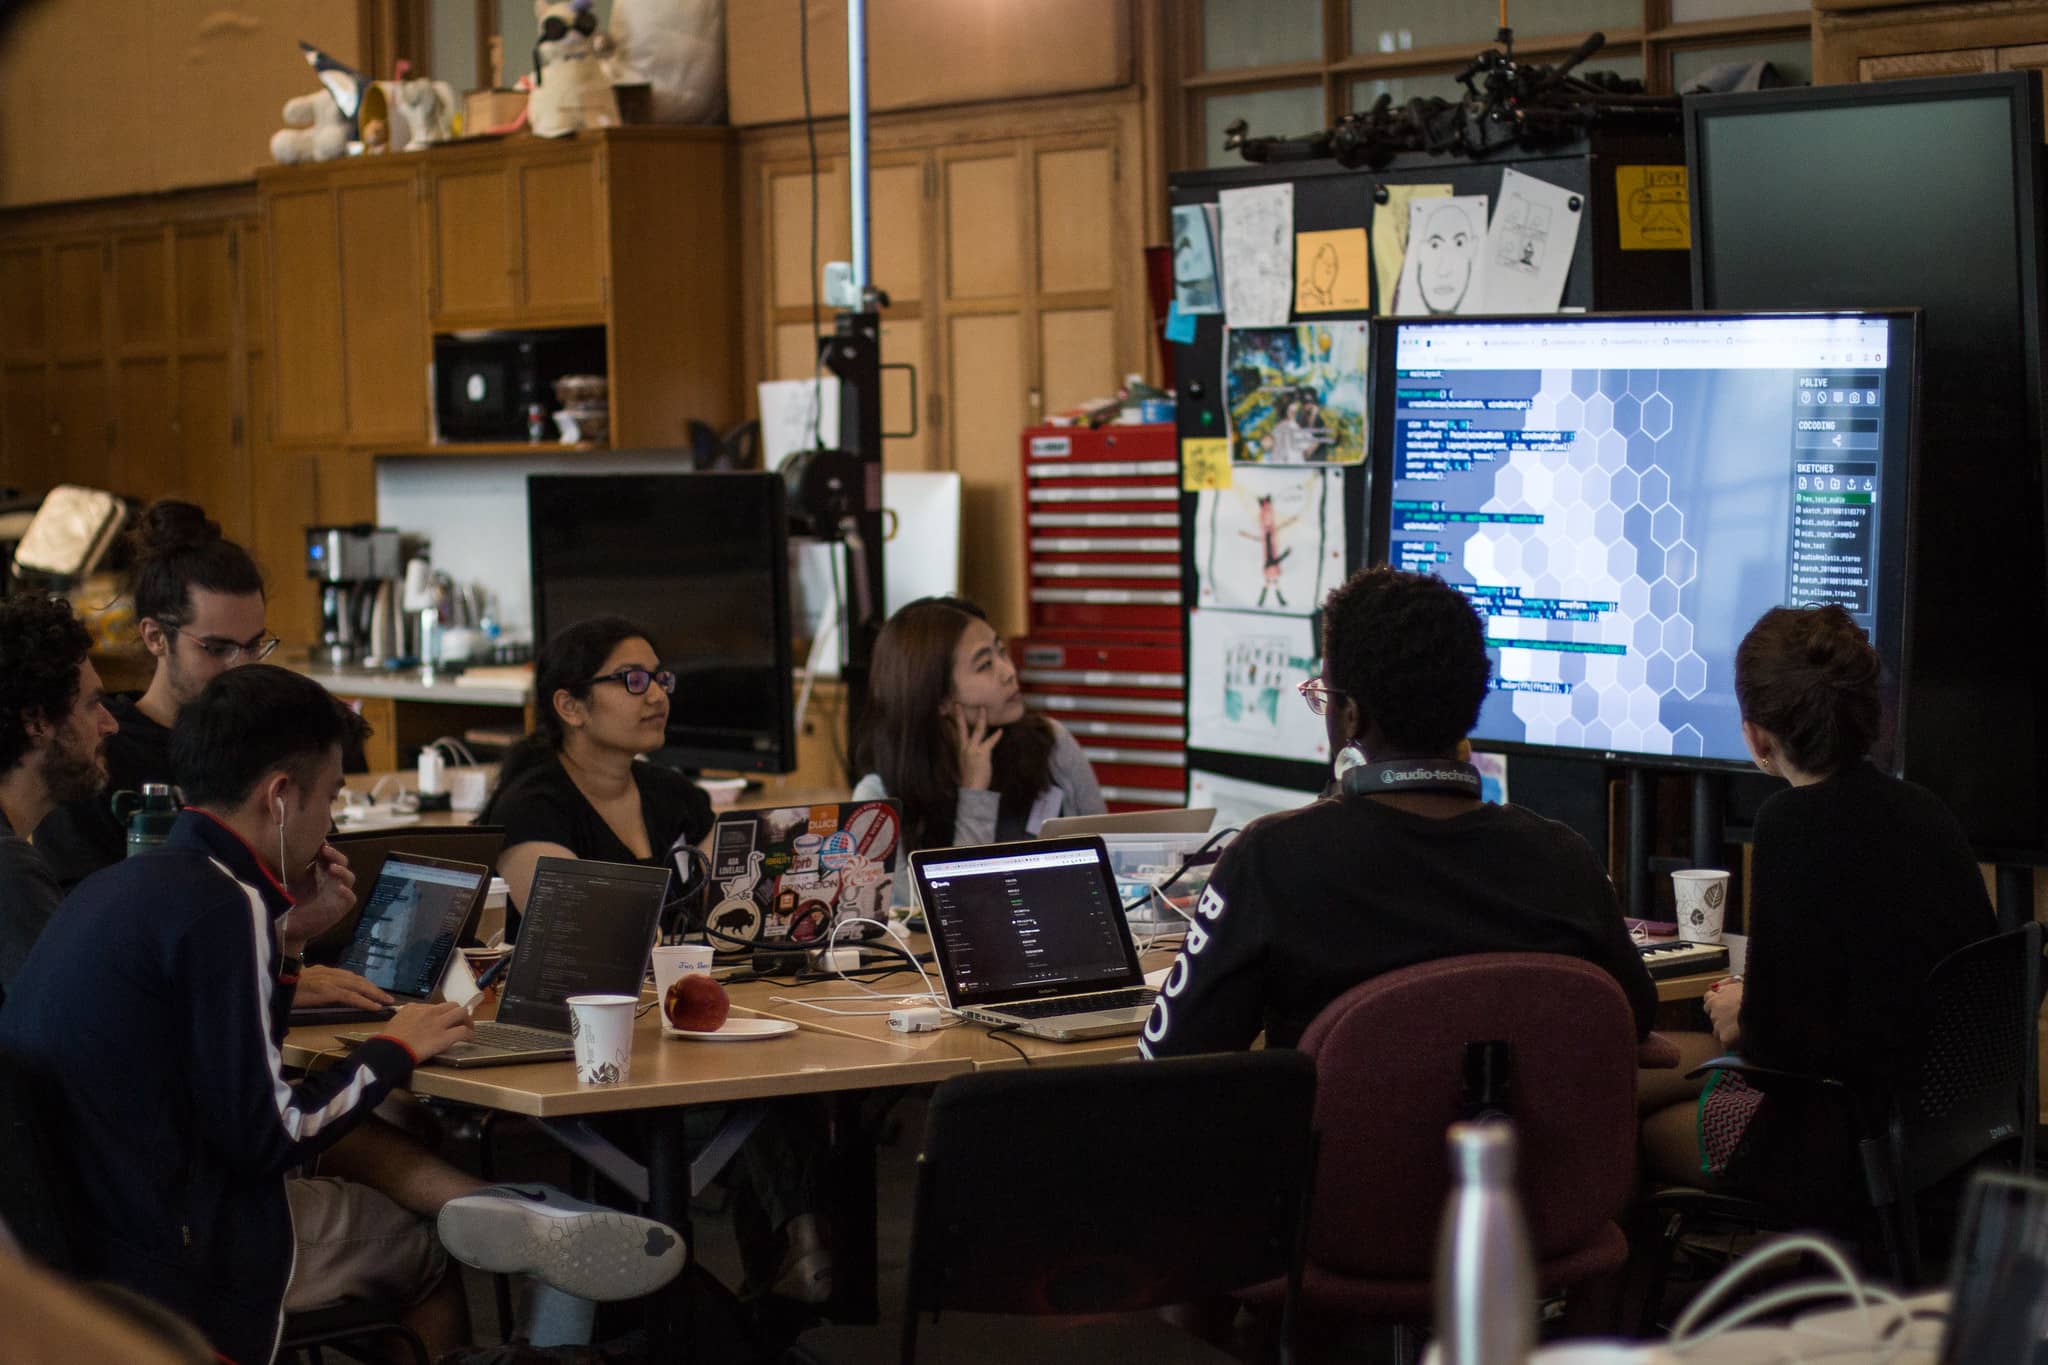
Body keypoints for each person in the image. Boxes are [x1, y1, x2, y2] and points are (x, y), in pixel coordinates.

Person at [0, 666, 685, 1363]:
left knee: (376, 1146)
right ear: (279, 796)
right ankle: (512, 1220)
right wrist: (396, 1045)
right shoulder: (223, 907)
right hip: (178, 1250)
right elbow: (279, 1129)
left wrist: (291, 940)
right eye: (329, 797)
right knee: (426, 1252)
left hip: (86, 1223)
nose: (329, 821)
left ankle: (511, 1206)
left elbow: (230, 1064)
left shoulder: (135, 882)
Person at [1140, 566, 1656, 1058]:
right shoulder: (1563, 857)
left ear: (1350, 713)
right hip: (1522, 1149)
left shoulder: (1270, 860)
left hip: (1334, 1152)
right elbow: (1636, 1014)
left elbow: (1170, 1056)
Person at [1638, 606, 1994, 1215]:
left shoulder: (1790, 825)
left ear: (1757, 736)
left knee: (1631, 1132)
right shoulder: (1925, 810)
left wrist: (1741, 1014)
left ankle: (1653, 1308)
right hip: (1945, 1137)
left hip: (1836, 1141)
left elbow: (1778, 1054)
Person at [35, 500, 274, 890]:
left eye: (254, 645)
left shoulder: (268, 741)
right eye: (216, 648)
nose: (240, 667)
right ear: (155, 637)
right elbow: (88, 917)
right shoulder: (96, 751)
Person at [482, 616, 714, 931]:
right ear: (570, 707)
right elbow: (581, 934)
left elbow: (728, 902)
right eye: (633, 679)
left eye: (659, 678)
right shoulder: (531, 810)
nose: (658, 695)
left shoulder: (674, 793)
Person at [852, 596, 1104, 860]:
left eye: (1002, 652)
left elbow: (1111, 855)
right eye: (985, 665)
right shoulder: (877, 801)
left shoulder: (1051, 742)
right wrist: (974, 795)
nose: (1008, 672)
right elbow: (952, 898)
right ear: (939, 698)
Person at [0, 594, 118, 993]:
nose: (110, 725)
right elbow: (81, 1026)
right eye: (92, 705)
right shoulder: (9, 870)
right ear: (37, 721)